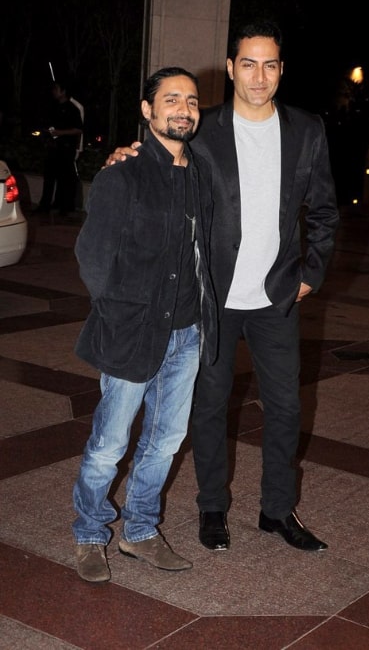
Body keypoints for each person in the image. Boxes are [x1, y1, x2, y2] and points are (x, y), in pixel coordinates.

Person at [107, 20, 340, 554]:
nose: (259, 76)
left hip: (277, 297)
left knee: (285, 409)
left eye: (271, 64)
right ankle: (213, 508)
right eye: (249, 63)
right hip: (211, 296)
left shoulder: (308, 129)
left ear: (281, 70)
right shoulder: (202, 126)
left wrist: (311, 273)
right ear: (231, 68)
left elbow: (325, 210)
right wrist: (125, 156)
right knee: (209, 407)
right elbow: (157, 163)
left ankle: (278, 510)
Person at [72, 67, 218, 583]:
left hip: (186, 334)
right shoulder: (123, 174)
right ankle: (91, 535)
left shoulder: (198, 171)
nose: (183, 109)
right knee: (111, 443)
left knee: (165, 441)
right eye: (171, 99)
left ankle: (139, 531)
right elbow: (92, 258)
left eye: (192, 101)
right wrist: (122, 313)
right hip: (133, 331)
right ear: (147, 109)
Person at [36, 80, 83, 216]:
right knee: (49, 178)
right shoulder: (53, 107)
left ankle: (64, 208)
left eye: (56, 89)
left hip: (66, 149)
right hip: (53, 148)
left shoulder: (73, 109)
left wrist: (60, 133)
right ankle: (44, 206)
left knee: (64, 179)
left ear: (63, 92)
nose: (54, 92)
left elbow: (78, 130)